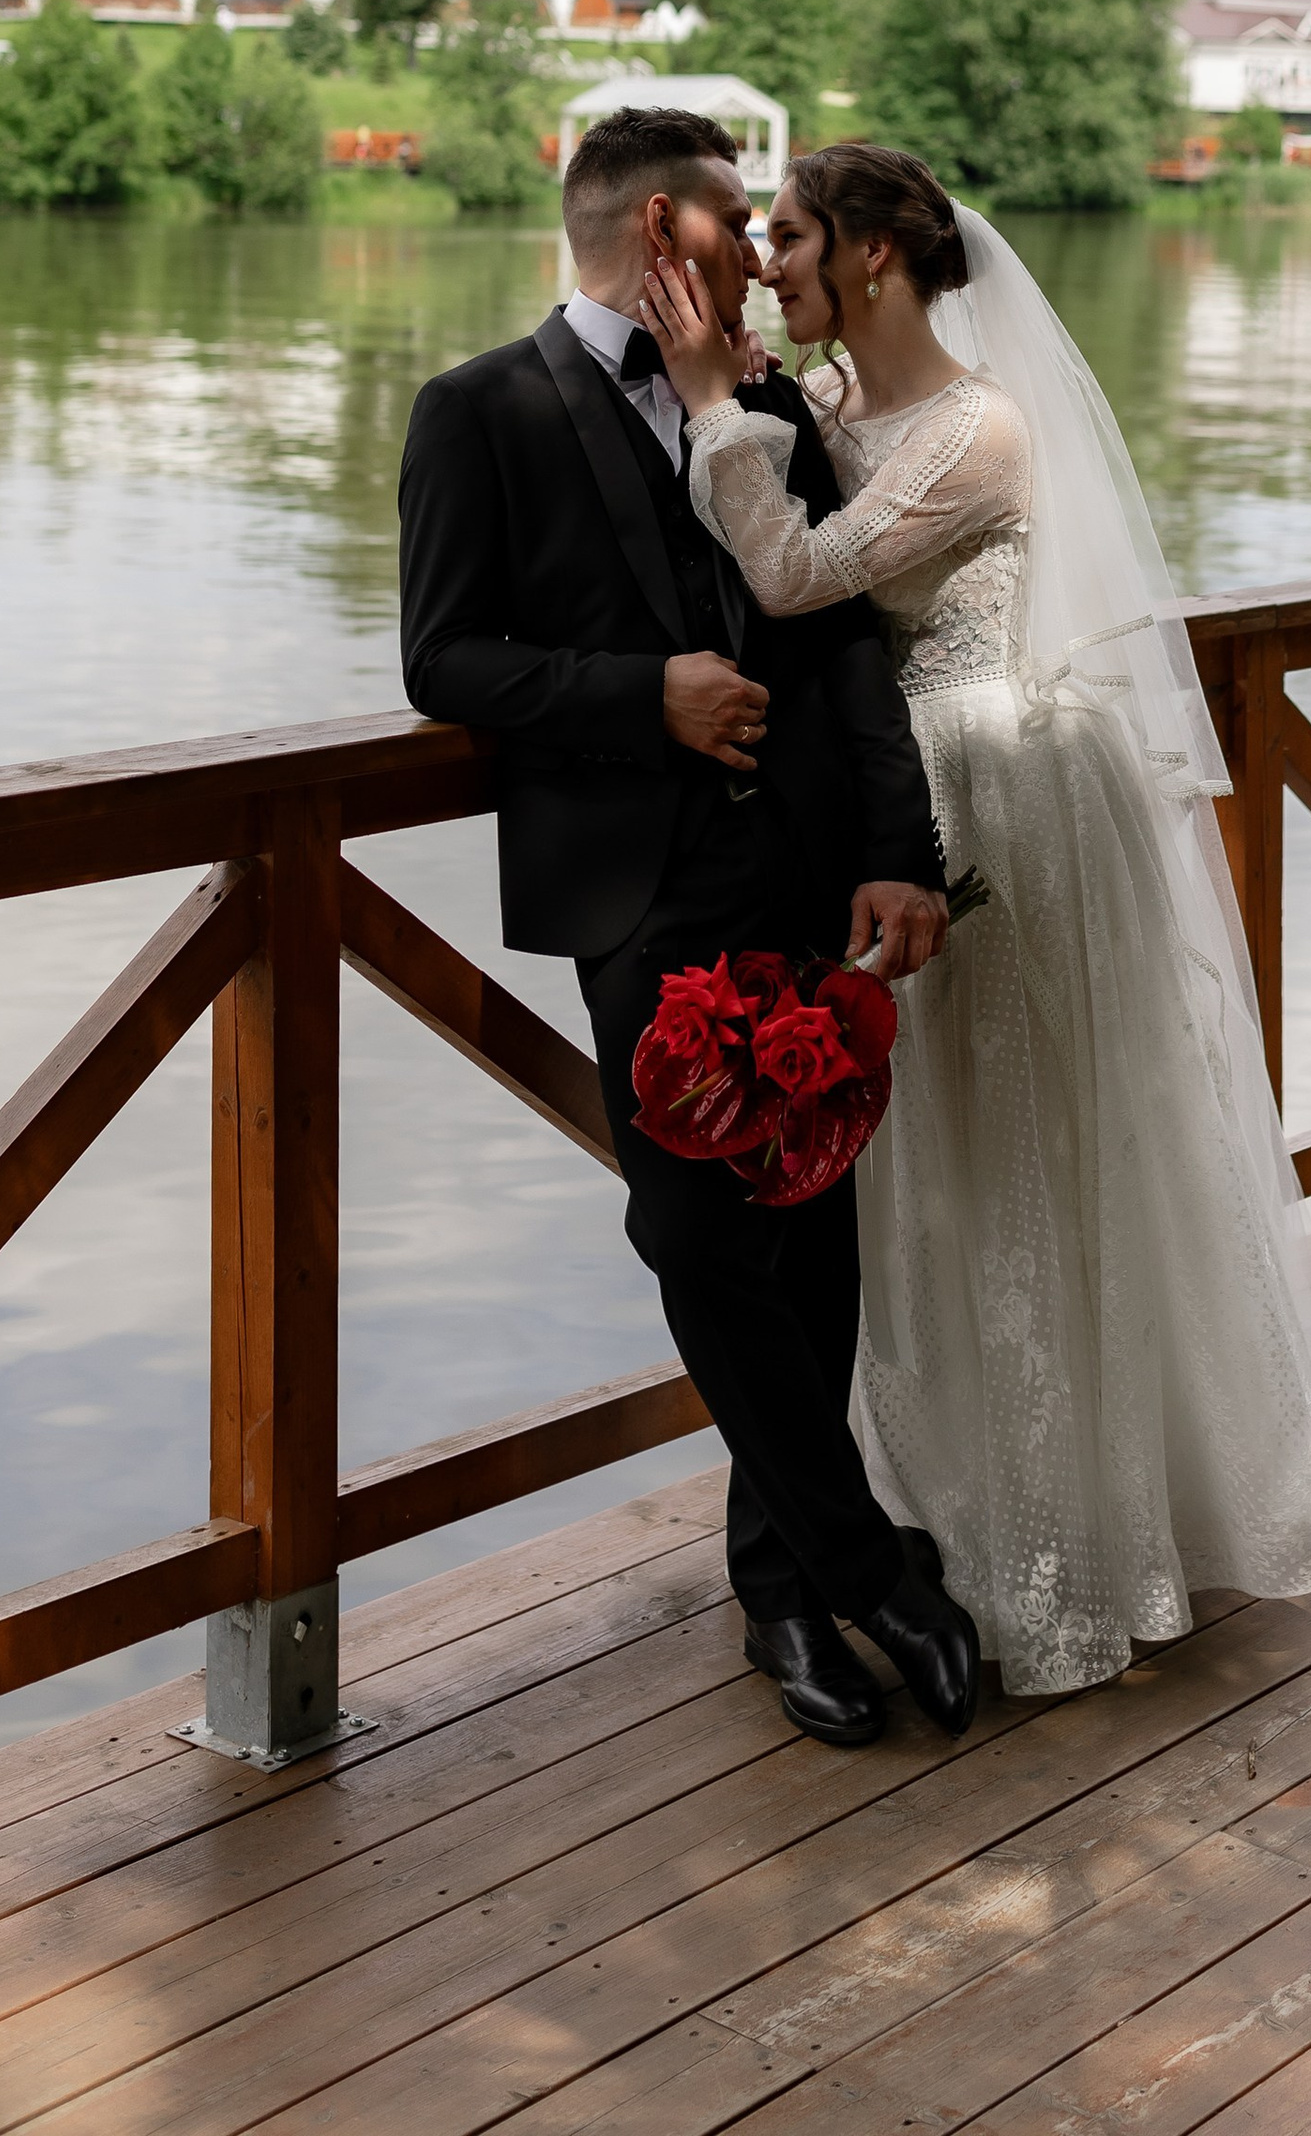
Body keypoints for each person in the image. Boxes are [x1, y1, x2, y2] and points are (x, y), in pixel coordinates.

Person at [641, 139, 1311, 1698]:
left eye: (792, 235)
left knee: (1027, 1141)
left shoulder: (981, 430)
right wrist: (749, 393)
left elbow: (796, 574)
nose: (769, 259)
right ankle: (896, 1511)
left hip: (1000, 793)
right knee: (906, 1168)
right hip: (888, 803)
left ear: (874, 254)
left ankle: (1061, 1533)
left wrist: (714, 406)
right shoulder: (827, 405)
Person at [397, 103, 984, 1750]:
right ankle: (875, 1573)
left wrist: (901, 854)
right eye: (740, 216)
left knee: (815, 1241)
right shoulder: (479, 409)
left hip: (806, 876)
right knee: (702, 1235)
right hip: (636, 894)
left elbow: (846, 653)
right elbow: (443, 656)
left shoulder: (774, 403)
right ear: (665, 227)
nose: (760, 248)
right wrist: (639, 692)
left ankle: (783, 1595)